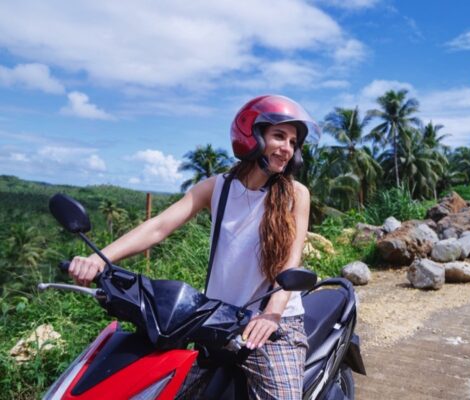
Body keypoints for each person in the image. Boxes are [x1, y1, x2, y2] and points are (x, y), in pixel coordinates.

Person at [68, 94, 320, 399]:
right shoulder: (220, 187)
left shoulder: (296, 194)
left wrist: (272, 314)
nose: (287, 148)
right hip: (217, 321)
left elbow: (290, 263)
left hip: (273, 323)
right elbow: (159, 226)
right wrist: (101, 258)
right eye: (279, 136)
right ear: (251, 136)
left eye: (293, 142)